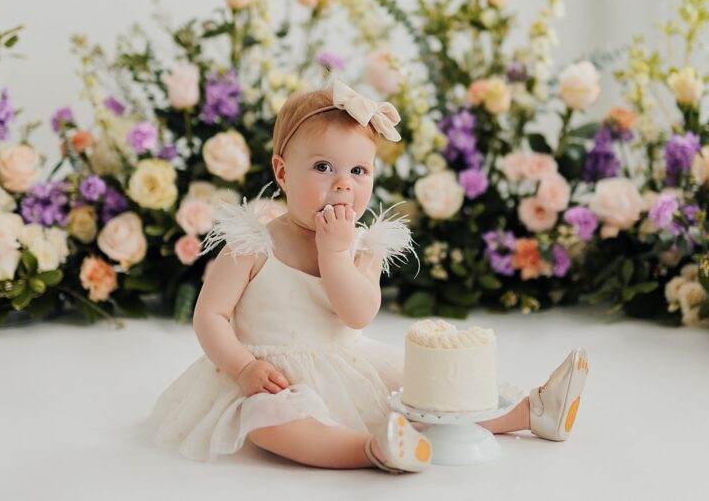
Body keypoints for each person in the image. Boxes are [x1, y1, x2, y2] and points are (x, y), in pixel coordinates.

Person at [147, 81, 589, 473]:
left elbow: (358, 315)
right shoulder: (252, 244)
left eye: (358, 171)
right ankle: (372, 448)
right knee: (270, 419)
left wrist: (336, 252)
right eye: (323, 167)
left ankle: (530, 413)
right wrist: (243, 368)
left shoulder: (361, 247)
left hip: (348, 361)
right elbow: (210, 315)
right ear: (282, 172)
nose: (343, 185)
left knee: (422, 390)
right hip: (270, 373)